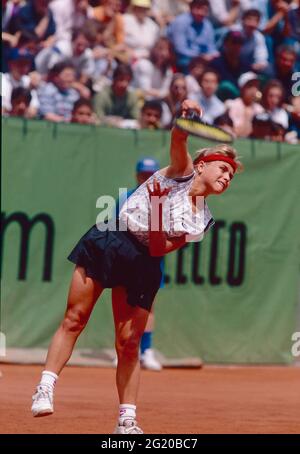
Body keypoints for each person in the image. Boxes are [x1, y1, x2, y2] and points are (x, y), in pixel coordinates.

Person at [31, 99, 243, 434]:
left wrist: (158, 211)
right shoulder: (182, 171)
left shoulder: (203, 220)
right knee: (74, 319)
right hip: (111, 239)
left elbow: (159, 247)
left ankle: (127, 420)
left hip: (145, 262)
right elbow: (178, 139)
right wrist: (185, 116)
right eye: (223, 169)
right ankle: (45, 387)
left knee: (128, 344)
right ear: (202, 166)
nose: (227, 176)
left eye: (231, 175)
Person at [115, 157, 163, 371]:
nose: (147, 177)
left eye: (152, 174)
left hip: (151, 262)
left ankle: (146, 352)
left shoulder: (163, 199)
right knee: (124, 308)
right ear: (137, 175)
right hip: (126, 260)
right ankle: (122, 349)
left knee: (148, 308)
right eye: (144, 174)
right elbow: (115, 227)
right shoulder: (125, 197)